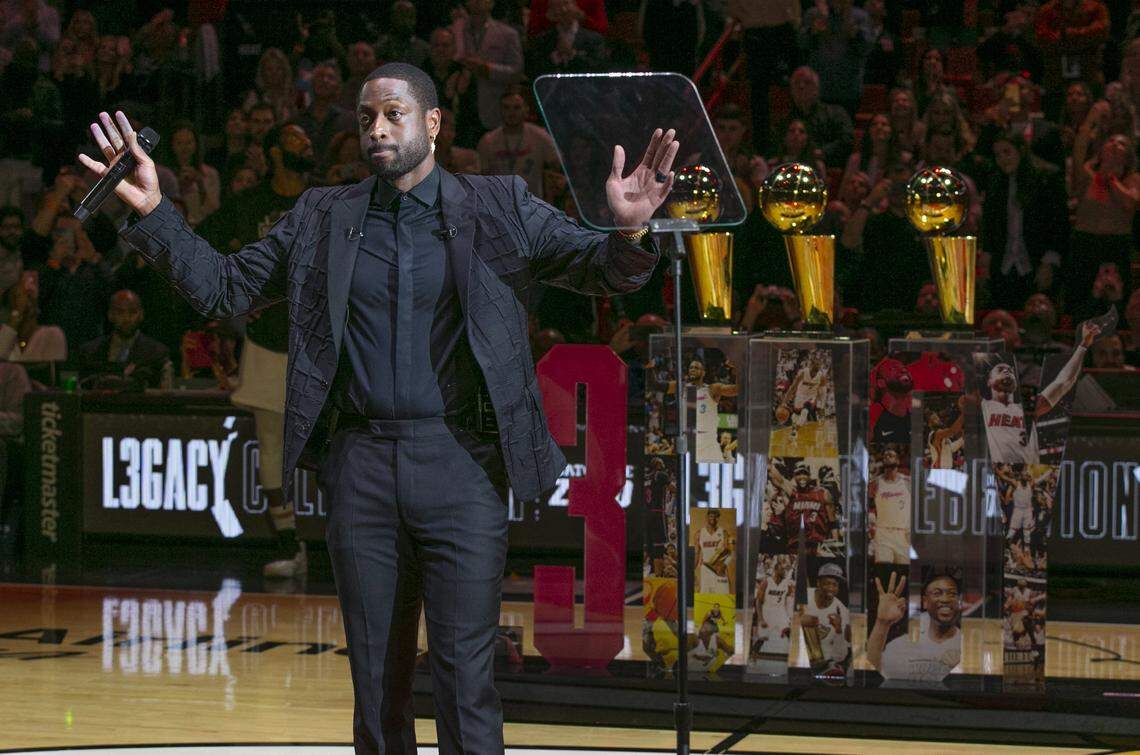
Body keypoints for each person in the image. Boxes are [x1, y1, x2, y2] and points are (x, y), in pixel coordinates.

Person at [82, 59, 673, 752]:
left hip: (463, 467)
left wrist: (628, 232)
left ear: (432, 122)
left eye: (393, 113)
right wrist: (154, 212)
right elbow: (227, 289)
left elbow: (597, 270)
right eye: (366, 118)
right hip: (360, 469)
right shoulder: (321, 216)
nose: (377, 128)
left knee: (464, 676)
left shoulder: (498, 204)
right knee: (377, 684)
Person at [196, 122, 316, 581]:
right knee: (271, 449)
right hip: (268, 345)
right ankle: (290, 544)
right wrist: (235, 309)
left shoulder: (327, 201)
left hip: (324, 346)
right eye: (293, 137)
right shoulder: (247, 207)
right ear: (273, 152)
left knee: (350, 446)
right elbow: (210, 265)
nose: (306, 141)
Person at [978, 321, 1101, 464]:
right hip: (993, 471)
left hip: (1031, 473)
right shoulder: (980, 405)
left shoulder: (1033, 407)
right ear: (988, 381)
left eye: (1009, 371)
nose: (1006, 372)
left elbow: (1064, 382)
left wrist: (1083, 346)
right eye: (1000, 370)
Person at [981, 128, 1069, 310]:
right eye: (998, 154)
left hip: (1037, 262)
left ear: (1020, 150)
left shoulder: (1047, 178)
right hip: (1004, 265)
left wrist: (1049, 262)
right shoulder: (995, 182)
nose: (1003, 159)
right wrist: (987, 256)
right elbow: (990, 224)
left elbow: (1059, 225)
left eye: (1007, 152)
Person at [868, 572, 962, 682]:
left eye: (952, 594)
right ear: (925, 602)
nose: (945, 599)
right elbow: (873, 673)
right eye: (937, 593)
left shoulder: (970, 646)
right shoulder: (900, 645)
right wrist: (882, 623)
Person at [451, 0, 523, 133]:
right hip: (461, 107)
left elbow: (516, 72)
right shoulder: (456, 30)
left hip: (493, 108)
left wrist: (487, 69)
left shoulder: (507, 34)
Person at [77, 289, 171, 388]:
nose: (126, 318)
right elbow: (83, 389)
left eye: (132, 312)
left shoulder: (156, 353)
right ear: (110, 315)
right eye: (120, 312)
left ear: (141, 314)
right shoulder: (90, 352)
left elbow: (163, 395)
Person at [477, 89, 560, 201]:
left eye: (517, 107)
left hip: (532, 207)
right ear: (500, 110)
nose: (512, 113)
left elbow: (558, 166)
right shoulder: (488, 141)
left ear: (526, 109)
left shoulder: (540, 137)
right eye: (506, 107)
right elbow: (482, 178)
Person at [798, 0, 875, 116]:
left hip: (849, 89)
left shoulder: (860, 16)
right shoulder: (813, 14)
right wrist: (814, 30)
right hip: (819, 89)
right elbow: (801, 44)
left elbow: (867, 48)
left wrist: (854, 32)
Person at [776, 66, 853, 168]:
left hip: (828, 167)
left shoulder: (835, 113)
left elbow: (847, 140)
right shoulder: (785, 120)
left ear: (817, 89)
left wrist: (823, 152)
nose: (801, 86)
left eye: (807, 82)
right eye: (796, 83)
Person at [526, 0, 608, 77]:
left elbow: (599, 67)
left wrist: (573, 54)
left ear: (575, 7)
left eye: (566, 3)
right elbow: (535, 68)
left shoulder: (594, 39)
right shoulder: (543, 39)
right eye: (557, 6)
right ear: (551, 13)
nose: (563, 10)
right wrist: (555, 56)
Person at [0, 272, 66, 362]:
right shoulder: (5, 334)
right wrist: (17, 312)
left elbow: (51, 371)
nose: (24, 302)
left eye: (28, 296)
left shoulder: (51, 334)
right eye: (17, 297)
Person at [799, 562, 851, 673]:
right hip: (798, 656)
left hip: (823, 665)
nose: (831, 588)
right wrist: (798, 621)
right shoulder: (803, 596)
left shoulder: (842, 611)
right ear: (818, 583)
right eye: (827, 583)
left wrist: (838, 630)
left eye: (835, 585)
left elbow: (840, 657)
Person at [868, 447, 910, 565]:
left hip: (903, 533)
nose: (887, 456)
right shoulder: (875, 483)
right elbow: (868, 505)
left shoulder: (908, 481)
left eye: (891, 455)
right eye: (885, 455)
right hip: (883, 533)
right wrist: (871, 523)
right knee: (884, 567)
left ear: (898, 461)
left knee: (903, 569)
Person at [694, 509, 730, 594]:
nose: (713, 518)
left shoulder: (723, 532)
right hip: (706, 568)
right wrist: (692, 569)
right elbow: (697, 554)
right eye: (711, 516)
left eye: (716, 516)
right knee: (706, 596)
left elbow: (727, 552)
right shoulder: (699, 533)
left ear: (718, 518)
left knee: (723, 594)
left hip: (719, 568)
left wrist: (723, 566)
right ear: (707, 517)